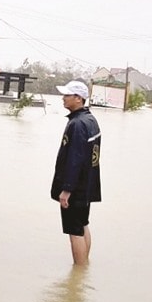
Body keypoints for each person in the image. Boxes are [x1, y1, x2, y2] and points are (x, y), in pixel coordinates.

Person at [51, 80, 102, 266]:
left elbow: (75, 159)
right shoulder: (90, 120)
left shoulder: (78, 124)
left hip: (76, 187)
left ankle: (78, 274)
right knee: (82, 224)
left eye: (67, 95)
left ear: (78, 99)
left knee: (74, 231)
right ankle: (84, 267)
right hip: (86, 185)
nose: (63, 99)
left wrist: (67, 189)